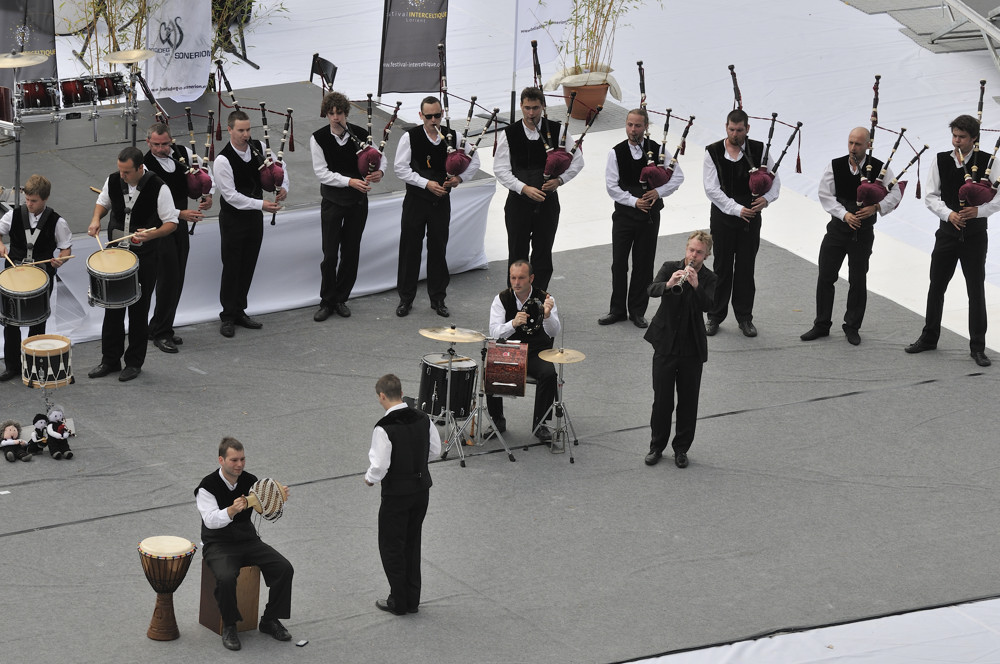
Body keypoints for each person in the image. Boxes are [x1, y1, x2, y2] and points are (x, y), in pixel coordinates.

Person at [906, 114, 998, 367]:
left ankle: (978, 347)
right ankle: (929, 337)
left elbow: (998, 198)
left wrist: (978, 212)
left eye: (962, 137)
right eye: (954, 136)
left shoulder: (989, 162)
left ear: (974, 138)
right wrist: (949, 215)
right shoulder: (941, 160)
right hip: (947, 234)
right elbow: (931, 196)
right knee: (936, 286)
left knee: (975, 290)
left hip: (975, 237)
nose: (957, 141)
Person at [801, 127, 901, 346]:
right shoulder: (836, 165)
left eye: (858, 144)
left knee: (858, 280)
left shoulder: (880, 168)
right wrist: (844, 214)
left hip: (863, 234)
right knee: (826, 276)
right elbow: (825, 194)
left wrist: (876, 207)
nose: (853, 148)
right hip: (837, 230)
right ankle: (821, 324)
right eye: (850, 143)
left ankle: (852, 326)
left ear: (868, 145)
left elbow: (895, 193)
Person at [87, 146, 177, 382]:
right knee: (113, 309)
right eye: (120, 171)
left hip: (145, 257)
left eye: (127, 172)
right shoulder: (114, 180)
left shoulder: (159, 186)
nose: (122, 176)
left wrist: (152, 234)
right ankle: (110, 360)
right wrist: (96, 219)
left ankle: (134, 362)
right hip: (117, 255)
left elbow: (171, 223)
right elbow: (102, 202)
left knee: (138, 311)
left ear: (140, 168)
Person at [196, 437, 294, 651]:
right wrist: (231, 510)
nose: (239, 464)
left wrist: (277, 498)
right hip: (218, 543)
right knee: (226, 576)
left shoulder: (251, 480)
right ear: (221, 460)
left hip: (247, 539)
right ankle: (229, 625)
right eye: (234, 460)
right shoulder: (207, 486)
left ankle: (270, 620)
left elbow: (265, 509)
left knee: (284, 568)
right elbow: (210, 520)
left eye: (242, 459)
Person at [393, 96, 479, 318]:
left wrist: (459, 179)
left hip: (440, 202)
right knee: (410, 249)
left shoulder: (454, 136)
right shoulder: (409, 137)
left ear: (442, 114)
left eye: (437, 115)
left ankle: (438, 299)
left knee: (438, 250)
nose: (433, 120)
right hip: (416, 201)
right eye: (428, 116)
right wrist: (426, 183)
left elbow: (474, 160)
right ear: (420, 116)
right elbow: (400, 168)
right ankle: (405, 299)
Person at [600, 108, 685, 328]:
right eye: (629, 125)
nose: (633, 130)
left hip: (649, 218)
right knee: (619, 264)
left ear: (646, 126)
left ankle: (637, 311)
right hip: (624, 217)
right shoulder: (615, 152)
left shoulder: (658, 150)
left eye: (638, 125)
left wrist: (658, 192)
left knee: (644, 265)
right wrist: (633, 201)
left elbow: (677, 177)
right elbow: (612, 186)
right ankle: (617, 309)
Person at [365, 374, 441, 616]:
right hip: (421, 491)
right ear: (401, 391)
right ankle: (412, 599)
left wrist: (369, 479)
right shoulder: (422, 417)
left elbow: (380, 465)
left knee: (391, 546)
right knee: (412, 542)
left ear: (382, 396)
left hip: (397, 494)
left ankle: (398, 600)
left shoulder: (384, 427)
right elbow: (435, 450)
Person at [494, 86, 583, 292]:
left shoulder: (558, 130)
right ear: (521, 107)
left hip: (547, 204)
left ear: (543, 106)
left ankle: (539, 298)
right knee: (517, 252)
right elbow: (500, 169)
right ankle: (515, 300)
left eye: (535, 108)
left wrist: (559, 180)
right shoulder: (509, 134)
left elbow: (577, 161)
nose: (531, 113)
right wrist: (523, 188)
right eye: (527, 108)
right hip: (518, 204)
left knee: (543, 252)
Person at [703, 109, 780, 337]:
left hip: (750, 221)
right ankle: (715, 316)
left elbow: (774, 180)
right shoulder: (713, 152)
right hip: (724, 219)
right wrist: (737, 210)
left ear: (747, 129)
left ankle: (745, 318)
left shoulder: (759, 150)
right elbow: (711, 189)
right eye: (731, 129)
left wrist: (766, 199)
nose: (735, 134)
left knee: (746, 269)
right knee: (722, 268)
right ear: (726, 127)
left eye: (739, 130)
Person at [310, 91, 386, 321]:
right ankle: (327, 300)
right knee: (330, 254)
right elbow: (322, 173)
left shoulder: (361, 135)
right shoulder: (319, 138)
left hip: (357, 202)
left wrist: (380, 172)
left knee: (351, 252)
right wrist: (349, 181)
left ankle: (341, 298)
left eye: (339, 113)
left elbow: (380, 158)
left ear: (346, 113)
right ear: (326, 114)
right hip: (333, 201)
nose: (335, 118)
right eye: (331, 113)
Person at [644, 230, 717, 469]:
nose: (693, 256)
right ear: (686, 249)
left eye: (699, 252)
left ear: (706, 256)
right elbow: (651, 289)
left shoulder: (709, 278)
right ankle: (656, 446)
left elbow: (710, 306)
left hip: (691, 348)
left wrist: (696, 286)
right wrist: (669, 283)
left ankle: (681, 449)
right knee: (662, 399)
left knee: (688, 401)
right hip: (665, 343)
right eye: (691, 250)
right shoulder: (670, 267)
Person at [214, 109, 289, 338]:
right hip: (233, 220)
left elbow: (280, 168)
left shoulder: (257, 147)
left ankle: (239, 311)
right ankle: (227, 315)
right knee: (232, 267)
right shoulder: (222, 160)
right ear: (229, 130)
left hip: (254, 218)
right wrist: (261, 205)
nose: (245, 134)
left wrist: (284, 186)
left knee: (248, 265)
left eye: (248, 129)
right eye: (240, 130)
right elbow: (230, 196)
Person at [143, 123, 213, 353]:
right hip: (159, 226)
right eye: (156, 145)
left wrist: (207, 195)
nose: (161, 149)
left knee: (177, 277)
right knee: (168, 279)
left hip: (180, 223)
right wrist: (180, 214)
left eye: (165, 144)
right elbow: (149, 205)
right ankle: (162, 332)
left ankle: (159, 326)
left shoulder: (182, 154)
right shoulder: (145, 166)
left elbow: (202, 174)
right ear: (148, 143)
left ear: (171, 140)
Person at [0, 174, 72, 382]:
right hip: (14, 276)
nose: (29, 204)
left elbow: (66, 248)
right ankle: (12, 366)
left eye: (34, 201)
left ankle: (33, 365)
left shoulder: (57, 221)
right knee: (11, 321)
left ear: (45, 199)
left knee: (37, 322)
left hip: (41, 279)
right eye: (27, 199)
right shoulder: (13, 215)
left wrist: (61, 260)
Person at [487, 259, 560, 442]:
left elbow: (554, 331)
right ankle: (497, 420)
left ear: (531, 278)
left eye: (521, 278)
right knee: (490, 367)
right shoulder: (501, 299)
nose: (516, 282)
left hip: (537, 351)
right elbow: (494, 332)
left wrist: (548, 316)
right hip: (511, 350)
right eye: (513, 278)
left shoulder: (546, 298)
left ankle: (540, 423)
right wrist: (512, 324)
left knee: (549, 373)